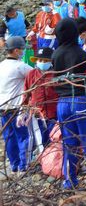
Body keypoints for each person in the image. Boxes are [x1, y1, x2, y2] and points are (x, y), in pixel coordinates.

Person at [52, 18, 86, 189]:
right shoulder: (81, 53)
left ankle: (69, 180)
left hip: (63, 103)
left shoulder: (55, 54)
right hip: (81, 100)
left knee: (69, 142)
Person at [0, 37, 32, 172]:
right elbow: (37, 75)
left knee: (9, 137)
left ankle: (14, 165)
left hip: (2, 108)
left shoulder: (1, 65)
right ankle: (23, 166)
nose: (24, 51)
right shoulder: (20, 66)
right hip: (16, 109)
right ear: (16, 50)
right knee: (24, 136)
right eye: (23, 49)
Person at [22, 47, 58, 146]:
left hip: (54, 114)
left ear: (51, 61)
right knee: (40, 141)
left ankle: (53, 160)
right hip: (37, 115)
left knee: (54, 140)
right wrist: (24, 110)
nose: (42, 62)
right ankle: (42, 159)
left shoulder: (56, 74)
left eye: (46, 60)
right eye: (40, 60)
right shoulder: (31, 74)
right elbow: (26, 92)